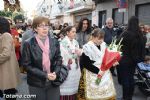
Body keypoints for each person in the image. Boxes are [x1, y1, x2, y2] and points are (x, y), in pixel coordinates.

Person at [22, 16, 68, 100]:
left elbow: (59, 59)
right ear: (35, 28)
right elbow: (26, 65)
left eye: (46, 26)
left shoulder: (54, 41)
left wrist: (55, 73)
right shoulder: (28, 43)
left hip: (53, 82)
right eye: (41, 26)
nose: (44, 28)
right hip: (36, 83)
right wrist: (45, 75)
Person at [77, 28, 117, 100]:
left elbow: (107, 58)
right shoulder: (87, 47)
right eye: (99, 39)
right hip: (92, 73)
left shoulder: (104, 45)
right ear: (93, 37)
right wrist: (98, 71)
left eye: (102, 38)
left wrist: (113, 62)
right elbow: (86, 64)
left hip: (104, 74)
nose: (101, 41)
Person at [117, 16, 146, 100]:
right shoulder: (140, 34)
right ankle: (129, 97)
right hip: (134, 61)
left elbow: (117, 42)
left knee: (125, 80)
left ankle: (125, 97)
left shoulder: (126, 33)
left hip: (124, 60)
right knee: (131, 78)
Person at [0, 17, 21, 100]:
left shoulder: (6, 35)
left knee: (9, 92)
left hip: (6, 68)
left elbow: (6, 54)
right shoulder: (5, 35)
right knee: (9, 91)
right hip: (6, 67)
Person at [60, 26, 81, 100]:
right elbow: (63, 55)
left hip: (75, 67)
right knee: (67, 86)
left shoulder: (75, 42)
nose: (75, 33)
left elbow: (77, 52)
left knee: (74, 86)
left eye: (75, 32)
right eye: (73, 32)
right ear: (67, 33)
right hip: (67, 67)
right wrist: (76, 53)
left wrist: (79, 52)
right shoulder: (63, 42)